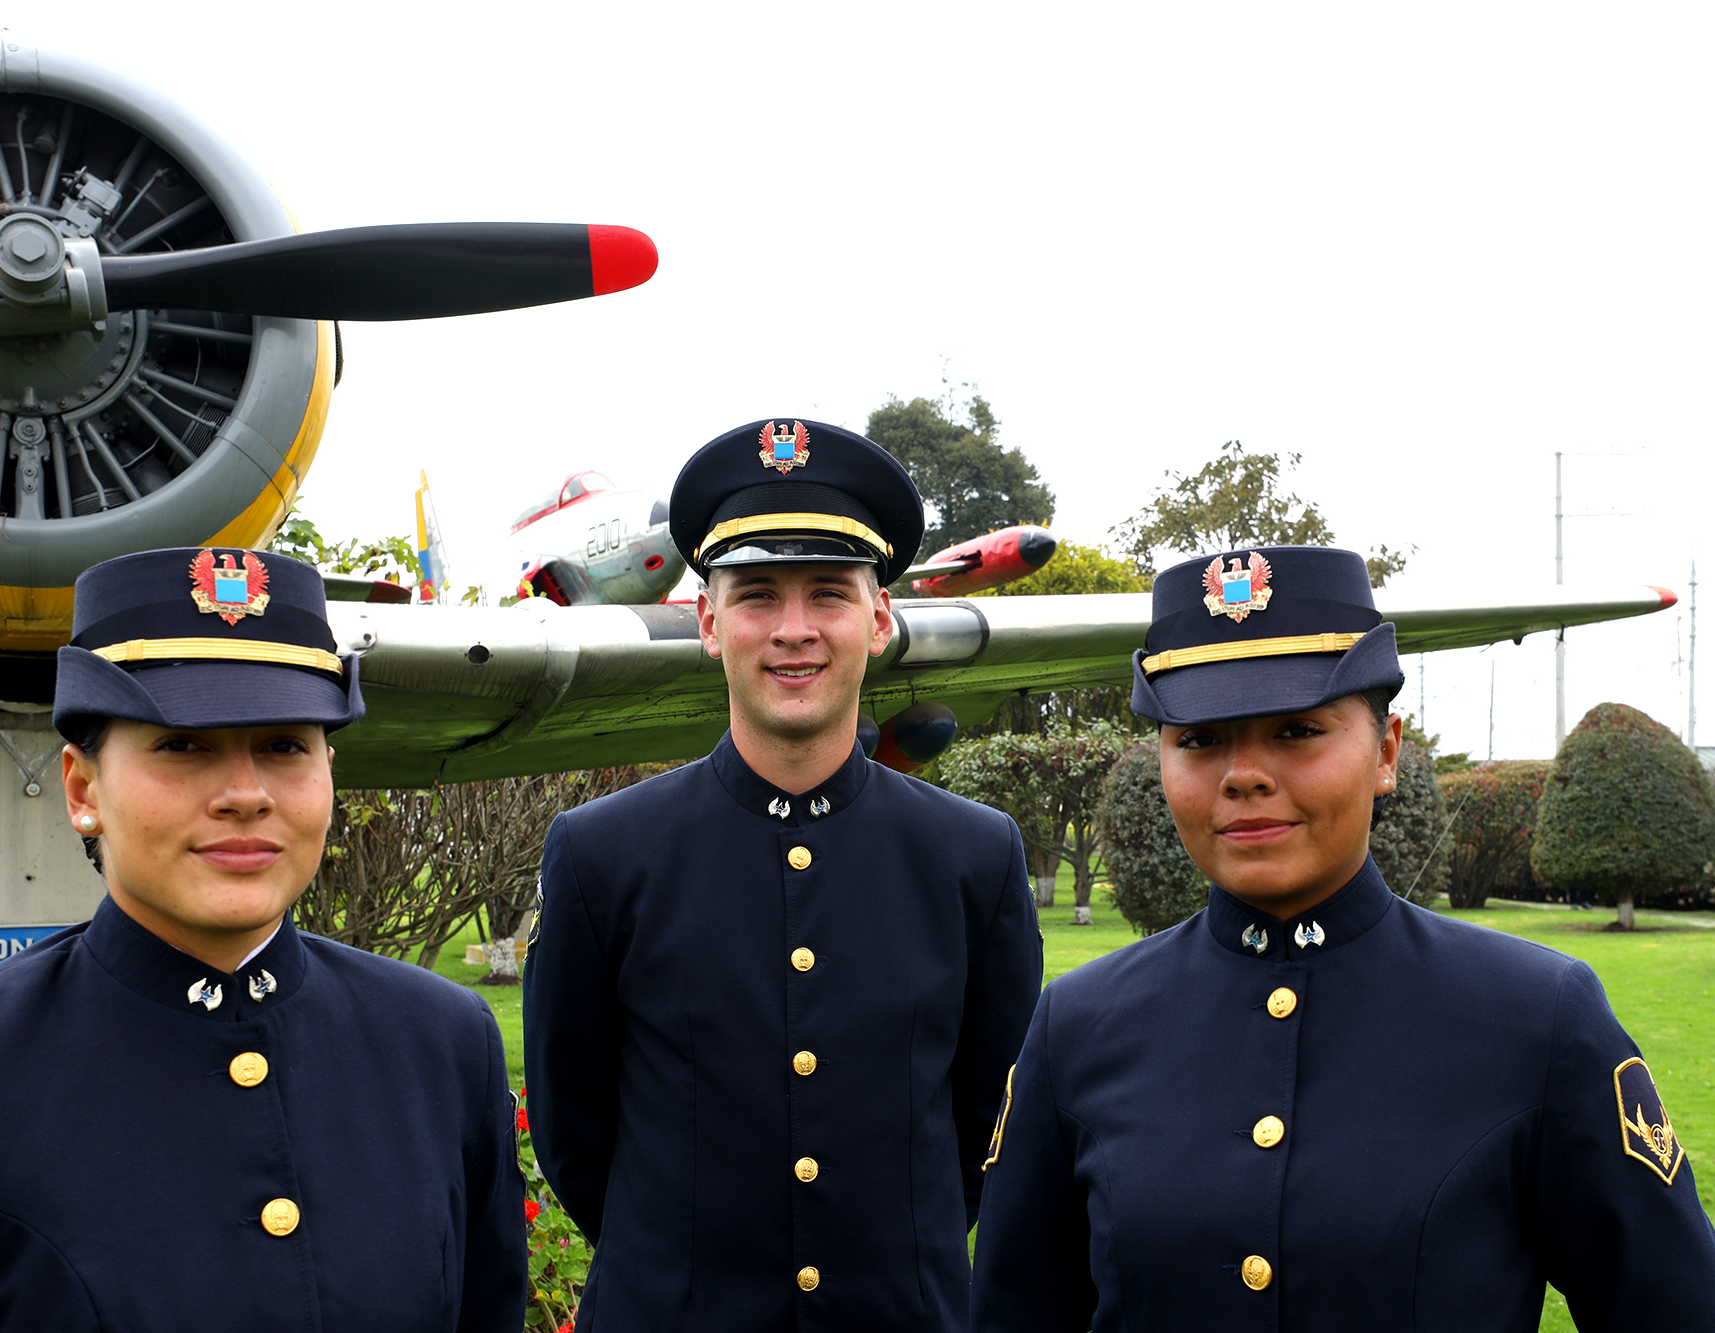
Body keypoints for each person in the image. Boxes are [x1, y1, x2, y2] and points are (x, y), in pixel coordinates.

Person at [0, 547, 525, 1331]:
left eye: (286, 745)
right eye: (182, 744)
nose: (245, 794)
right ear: (82, 788)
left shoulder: (440, 1044)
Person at [969, 545, 1715, 1332]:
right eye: (1199, 739)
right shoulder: (1078, 1027)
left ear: (1387, 749)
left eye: (1297, 730)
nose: (1243, 774)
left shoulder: (1536, 1017)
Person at [523, 419, 1043, 1332]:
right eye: (757, 594)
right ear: (708, 621)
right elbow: (576, 1132)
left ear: (880, 619)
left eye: (830, 594)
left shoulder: (972, 856)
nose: (794, 629)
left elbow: (984, 1129)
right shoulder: (603, 855)